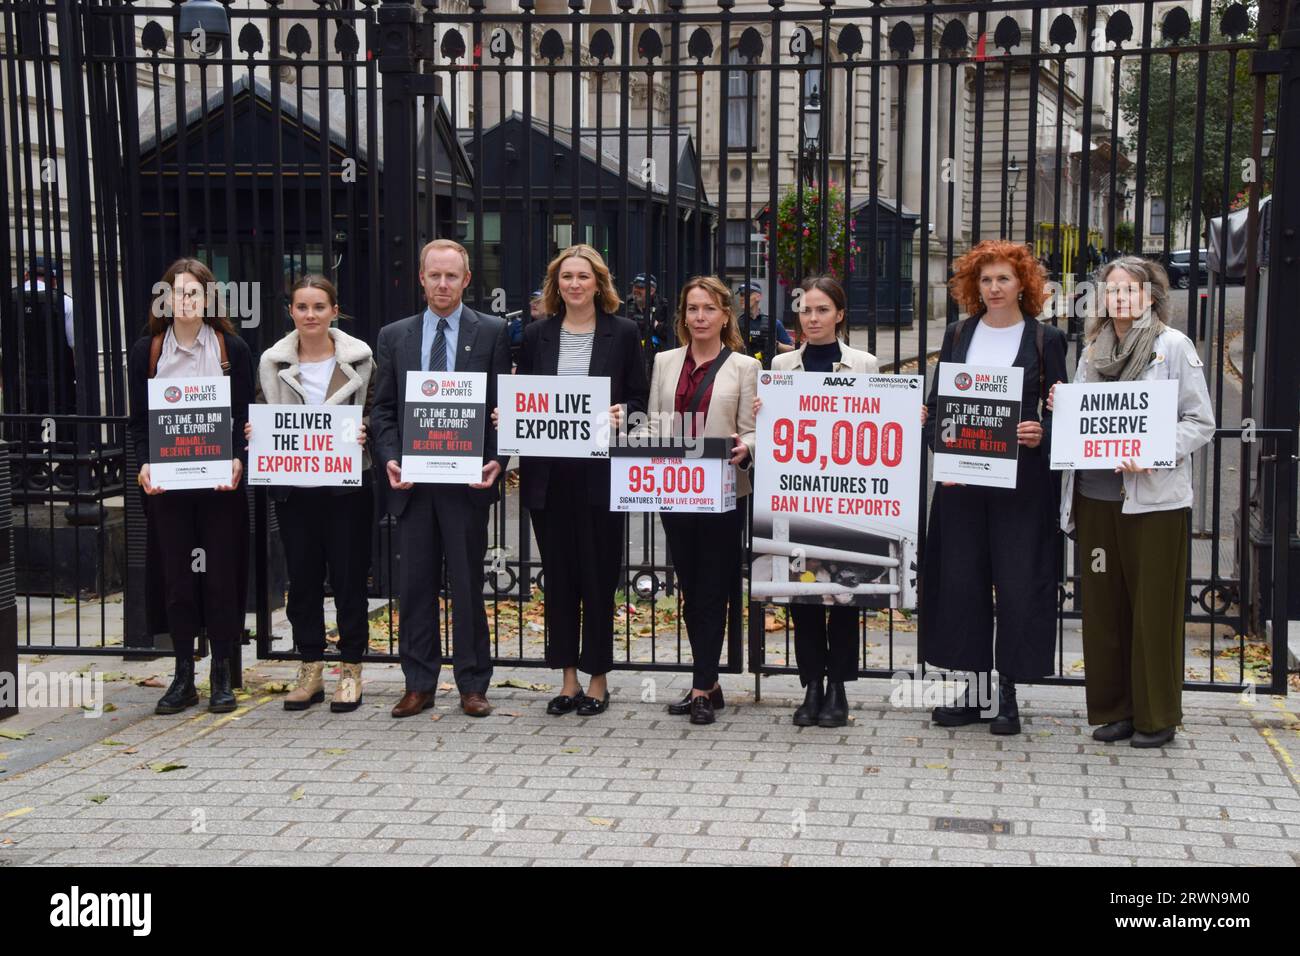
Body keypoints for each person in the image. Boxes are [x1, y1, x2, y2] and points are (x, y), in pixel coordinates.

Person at [1053, 256, 1214, 748]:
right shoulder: (1093, 352)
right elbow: (1082, 423)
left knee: (1151, 611)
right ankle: (1115, 710)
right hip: (1096, 497)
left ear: (1150, 296)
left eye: (1131, 289)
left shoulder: (1172, 347)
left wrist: (1155, 453)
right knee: (1104, 609)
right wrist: (1062, 406)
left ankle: (1156, 715)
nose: (1120, 298)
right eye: (1111, 290)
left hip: (1153, 503)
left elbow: (1200, 421)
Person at [920, 239, 1068, 734]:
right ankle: (974, 689)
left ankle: (1007, 692)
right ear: (973, 286)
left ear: (1022, 283)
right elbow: (940, 406)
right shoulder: (959, 333)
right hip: (963, 483)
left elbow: (1062, 414)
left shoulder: (1047, 341)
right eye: (985, 279)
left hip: (1022, 485)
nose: (994, 287)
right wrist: (927, 422)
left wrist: (1040, 432)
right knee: (962, 581)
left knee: (1019, 583)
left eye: (1004, 278)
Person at [504, 245, 648, 716]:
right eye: (566, 276)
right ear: (556, 284)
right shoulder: (536, 334)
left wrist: (622, 414)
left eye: (583, 276)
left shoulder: (624, 333)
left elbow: (641, 402)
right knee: (560, 579)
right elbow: (523, 396)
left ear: (598, 283)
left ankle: (598, 678)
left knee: (598, 576)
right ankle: (567, 679)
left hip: (601, 476)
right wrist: (508, 415)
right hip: (549, 477)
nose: (574, 284)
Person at [370, 239, 511, 719]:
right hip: (413, 485)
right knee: (414, 586)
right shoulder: (394, 336)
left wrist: (498, 461)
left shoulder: (492, 331)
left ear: (467, 280)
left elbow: (502, 409)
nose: (443, 284)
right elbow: (383, 409)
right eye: (435, 275)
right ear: (421, 278)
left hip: (467, 483)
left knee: (469, 586)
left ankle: (473, 684)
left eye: (452, 276)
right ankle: (418, 683)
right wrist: (389, 458)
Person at [127, 257, 254, 715]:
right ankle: (183, 673)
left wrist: (240, 460)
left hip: (220, 485)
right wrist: (143, 465)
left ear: (208, 298)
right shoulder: (148, 351)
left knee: (220, 573)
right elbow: (138, 422)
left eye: (194, 292)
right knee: (177, 576)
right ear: (165, 299)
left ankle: (222, 672)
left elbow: (244, 419)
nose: (186, 300)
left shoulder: (231, 349)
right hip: (168, 485)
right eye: (178, 292)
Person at [753, 276, 879, 727]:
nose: (813, 318)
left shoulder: (864, 365)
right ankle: (811, 685)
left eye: (822, 310)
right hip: (797, 495)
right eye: (806, 310)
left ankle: (839, 688)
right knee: (803, 593)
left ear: (839, 315)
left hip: (844, 498)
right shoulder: (782, 365)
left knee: (843, 594)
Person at [251, 275, 375, 713]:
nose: (310, 315)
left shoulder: (361, 359)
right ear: (291, 311)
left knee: (348, 578)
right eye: (302, 307)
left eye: (319, 307)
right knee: (302, 580)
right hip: (295, 488)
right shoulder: (271, 361)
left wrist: (367, 432)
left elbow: (378, 412)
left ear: (333, 311)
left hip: (346, 487)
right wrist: (255, 430)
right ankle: (310, 667)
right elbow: (263, 413)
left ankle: (352, 667)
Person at [647, 276, 759, 725]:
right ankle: (709, 682)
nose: (699, 317)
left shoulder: (744, 367)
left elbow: (753, 429)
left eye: (708, 309)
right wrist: (621, 438)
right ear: (683, 315)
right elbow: (653, 425)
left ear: (725, 315)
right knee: (691, 587)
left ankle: (700, 686)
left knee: (715, 585)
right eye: (692, 309)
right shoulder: (663, 362)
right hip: (674, 489)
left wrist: (748, 447)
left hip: (724, 490)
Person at [7, 256, 76, 414]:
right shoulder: (65, 302)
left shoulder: (8, 301)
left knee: (22, 433)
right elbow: (74, 347)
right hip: (56, 385)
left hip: (18, 384)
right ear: (53, 281)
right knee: (55, 432)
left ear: (25, 276)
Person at [736, 281, 795, 362]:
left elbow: (792, 351)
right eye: (740, 295)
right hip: (743, 369)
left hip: (767, 371)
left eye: (745, 294)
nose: (741, 298)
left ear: (758, 297)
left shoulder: (773, 323)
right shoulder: (736, 323)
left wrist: (775, 344)